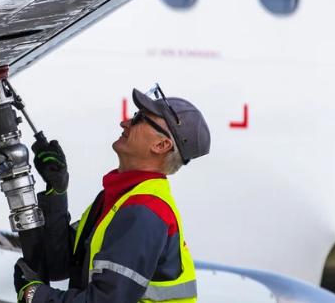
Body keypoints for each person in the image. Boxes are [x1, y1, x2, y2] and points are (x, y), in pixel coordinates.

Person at [14, 84, 211, 303]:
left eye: (138, 119)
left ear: (161, 145)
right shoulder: (121, 197)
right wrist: (56, 191)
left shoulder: (144, 211)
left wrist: (35, 296)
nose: (124, 122)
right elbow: (63, 263)